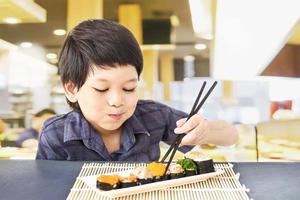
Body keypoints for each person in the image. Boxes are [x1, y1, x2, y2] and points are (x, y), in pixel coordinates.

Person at [36, 19, 238, 161]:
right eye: (101, 88)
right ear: (71, 89)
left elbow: (231, 136)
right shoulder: (55, 134)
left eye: (129, 88)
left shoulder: (154, 116)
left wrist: (206, 130)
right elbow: (47, 187)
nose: (117, 101)